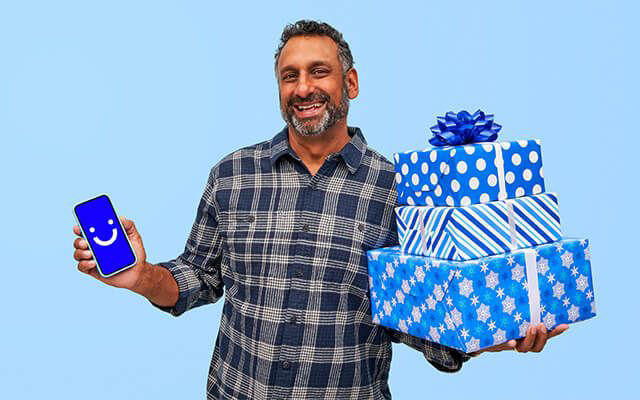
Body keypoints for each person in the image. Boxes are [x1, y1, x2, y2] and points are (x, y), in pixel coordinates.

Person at [72, 20, 568, 400]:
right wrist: (140, 275)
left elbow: (419, 312)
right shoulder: (232, 173)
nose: (303, 87)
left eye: (319, 72)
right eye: (290, 76)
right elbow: (196, 278)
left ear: (350, 83)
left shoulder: (401, 189)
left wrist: (492, 333)